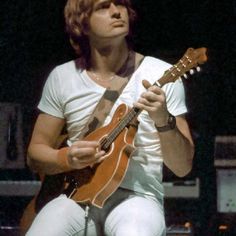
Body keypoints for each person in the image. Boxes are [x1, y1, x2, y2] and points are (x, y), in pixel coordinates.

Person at [26, 0, 194, 235]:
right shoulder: (62, 77)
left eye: (121, 5)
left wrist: (162, 119)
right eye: (103, 6)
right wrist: (68, 158)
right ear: (82, 24)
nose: (117, 12)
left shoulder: (161, 74)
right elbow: (35, 154)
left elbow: (183, 167)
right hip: (76, 195)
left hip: (138, 198)